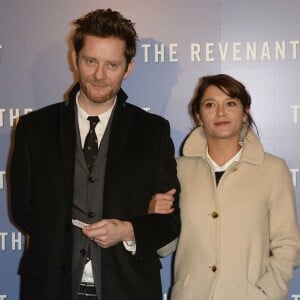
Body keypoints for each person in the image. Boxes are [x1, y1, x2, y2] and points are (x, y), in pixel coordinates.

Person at [9, 8, 180, 300]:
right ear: (75, 59)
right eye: (91, 61)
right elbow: (23, 213)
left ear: (128, 68)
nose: (99, 75)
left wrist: (128, 230)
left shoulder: (152, 132)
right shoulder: (34, 128)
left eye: (112, 65)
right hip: (50, 287)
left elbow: (170, 223)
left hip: (128, 288)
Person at [150, 74, 300, 300]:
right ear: (198, 116)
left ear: (245, 112)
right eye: (210, 105)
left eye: (230, 103)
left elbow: (288, 244)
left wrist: (266, 291)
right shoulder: (179, 170)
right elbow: (165, 247)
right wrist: (155, 218)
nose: (221, 113)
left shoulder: (272, 169)